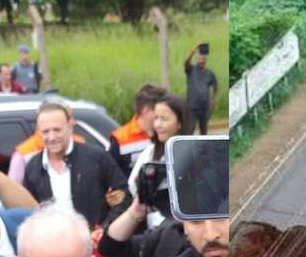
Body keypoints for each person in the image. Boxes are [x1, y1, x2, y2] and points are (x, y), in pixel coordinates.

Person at [23, 99, 128, 228]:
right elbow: (28, 212)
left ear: (70, 126)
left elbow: (124, 196)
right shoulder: (33, 169)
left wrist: (106, 229)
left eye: (57, 130)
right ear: (38, 132)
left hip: (95, 243)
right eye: (45, 131)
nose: (51, 137)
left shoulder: (97, 157)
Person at [121, 95, 190, 234]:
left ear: (180, 123)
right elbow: (134, 188)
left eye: (164, 119)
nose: (158, 124)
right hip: (153, 230)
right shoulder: (149, 153)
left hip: (184, 229)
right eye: (156, 118)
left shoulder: (193, 152)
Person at [109, 84, 167, 178]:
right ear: (146, 110)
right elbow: (111, 175)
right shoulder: (121, 138)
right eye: (159, 110)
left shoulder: (167, 132)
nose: (163, 114)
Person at [183, 44, 217, 135]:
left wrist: (213, 101)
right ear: (197, 60)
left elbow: (215, 87)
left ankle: (203, 148)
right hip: (192, 107)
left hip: (204, 107)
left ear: (205, 61)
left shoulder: (209, 73)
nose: (201, 61)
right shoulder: (191, 70)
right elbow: (185, 63)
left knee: (204, 131)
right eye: (200, 59)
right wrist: (192, 52)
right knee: (190, 129)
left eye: (203, 59)